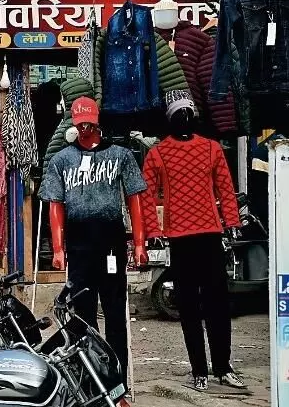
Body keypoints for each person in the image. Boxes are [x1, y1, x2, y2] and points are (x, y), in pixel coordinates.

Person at [39, 96, 148, 388]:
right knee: (83, 319)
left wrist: (139, 243)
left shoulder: (121, 156)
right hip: (78, 244)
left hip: (110, 242)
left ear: (97, 121)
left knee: (115, 317)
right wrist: (58, 248)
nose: (83, 128)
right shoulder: (62, 160)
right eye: (79, 123)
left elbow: (135, 198)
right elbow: (55, 205)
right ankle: (90, 384)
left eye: (88, 122)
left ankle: (117, 384)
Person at [140, 97, 245, 391]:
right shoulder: (158, 154)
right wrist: (152, 230)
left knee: (217, 304)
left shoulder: (210, 148)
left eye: (188, 114)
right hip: (181, 238)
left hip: (209, 234)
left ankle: (222, 367)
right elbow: (147, 194)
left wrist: (232, 222)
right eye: (180, 114)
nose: (185, 118)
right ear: (171, 119)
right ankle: (200, 369)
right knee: (189, 307)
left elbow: (226, 187)